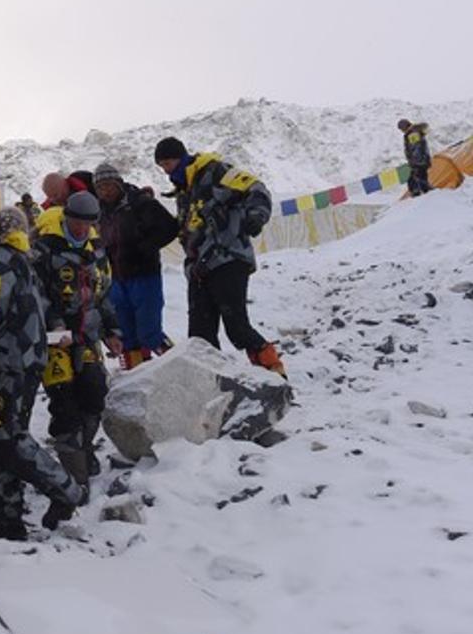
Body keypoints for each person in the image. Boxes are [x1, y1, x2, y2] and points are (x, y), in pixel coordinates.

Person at [0, 207, 85, 540]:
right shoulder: (18, 258)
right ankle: (8, 514)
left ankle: (66, 491)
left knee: (9, 438)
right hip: (19, 359)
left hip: (8, 363)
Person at [153, 136, 286, 377]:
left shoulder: (214, 173)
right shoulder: (183, 192)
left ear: (181, 157)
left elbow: (255, 188)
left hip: (227, 259)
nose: (165, 170)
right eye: (161, 166)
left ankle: (273, 370)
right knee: (199, 337)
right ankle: (213, 382)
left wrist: (256, 215)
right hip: (198, 268)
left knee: (236, 326)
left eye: (167, 163)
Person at [32, 192, 122, 492]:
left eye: (87, 223)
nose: (81, 229)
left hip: (87, 337)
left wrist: (112, 329)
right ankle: (75, 479)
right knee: (65, 404)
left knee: (95, 395)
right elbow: (37, 295)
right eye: (76, 222)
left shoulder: (96, 250)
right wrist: (54, 322)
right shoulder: (45, 249)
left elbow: (103, 293)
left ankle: (83, 450)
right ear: (65, 217)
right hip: (55, 341)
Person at [92, 163, 179, 369]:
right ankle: (135, 374)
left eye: (109, 185)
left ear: (119, 183)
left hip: (144, 274)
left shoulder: (139, 202)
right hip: (115, 279)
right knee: (125, 333)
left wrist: (146, 246)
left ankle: (179, 365)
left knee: (149, 331)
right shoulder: (98, 211)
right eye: (100, 187)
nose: (105, 191)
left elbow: (170, 228)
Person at [398, 119, 432, 198]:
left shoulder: (413, 134)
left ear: (404, 127)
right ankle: (424, 195)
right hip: (420, 161)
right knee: (418, 179)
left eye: (401, 129)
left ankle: (424, 195)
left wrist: (415, 162)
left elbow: (417, 147)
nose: (401, 131)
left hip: (419, 162)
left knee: (417, 180)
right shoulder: (413, 132)